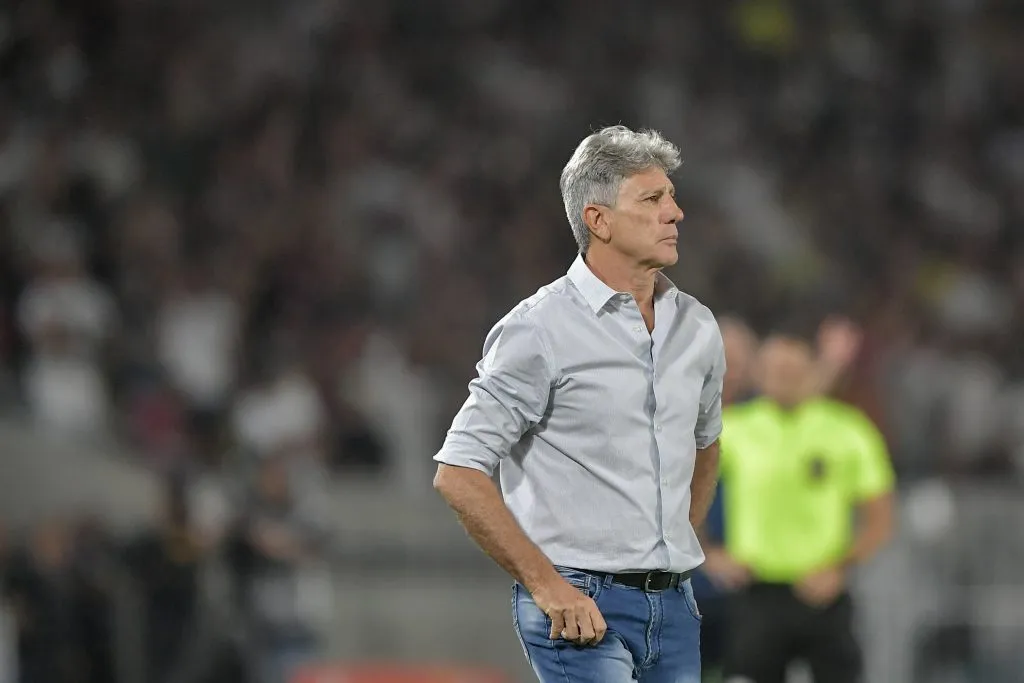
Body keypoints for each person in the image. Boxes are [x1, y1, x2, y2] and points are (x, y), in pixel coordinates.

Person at [433, 125, 725, 683]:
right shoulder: (538, 330)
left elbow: (706, 441)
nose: (676, 212)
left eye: (672, 196)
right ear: (599, 220)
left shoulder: (698, 327)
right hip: (579, 605)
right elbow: (458, 470)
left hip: (673, 606)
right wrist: (547, 586)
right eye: (653, 198)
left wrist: (673, 544)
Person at [702, 317, 895, 683]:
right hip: (756, 593)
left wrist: (841, 566)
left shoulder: (848, 430)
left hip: (823, 591)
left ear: (811, 372)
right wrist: (708, 553)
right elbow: (684, 491)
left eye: (794, 369)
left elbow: (880, 518)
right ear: (759, 374)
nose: (785, 378)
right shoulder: (734, 428)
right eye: (776, 369)